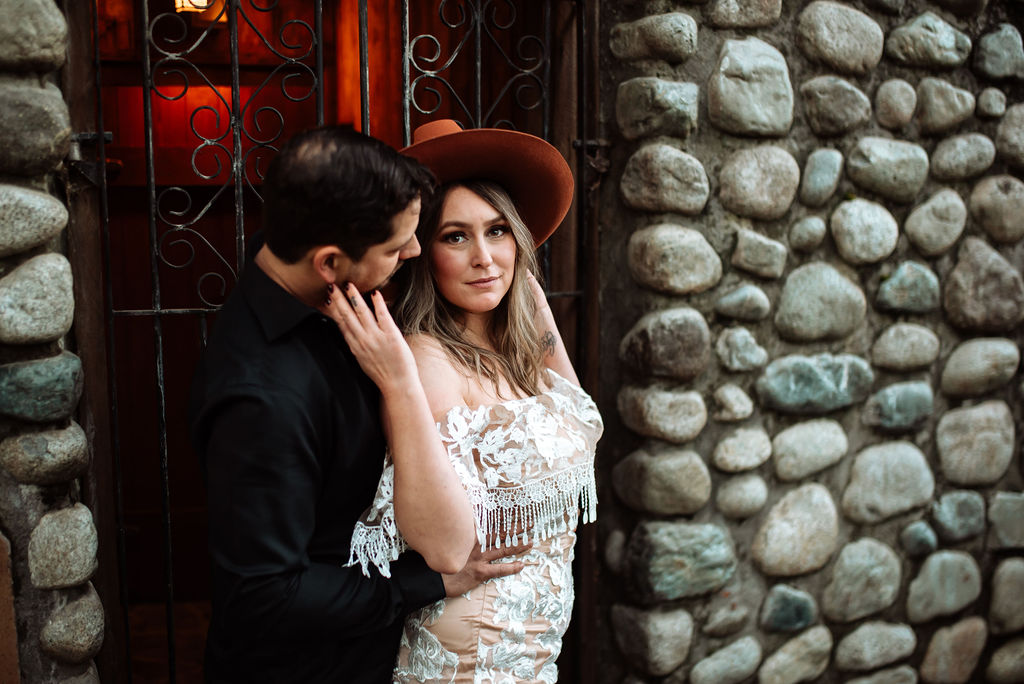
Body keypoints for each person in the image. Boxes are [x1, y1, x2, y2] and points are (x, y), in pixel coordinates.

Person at [188, 125, 528, 684]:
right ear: (329, 262)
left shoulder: (296, 260)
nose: (414, 252)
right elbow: (267, 593)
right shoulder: (264, 399)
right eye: (397, 248)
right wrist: (428, 584)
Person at [327, 119, 603, 683]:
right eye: (456, 237)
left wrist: (527, 293)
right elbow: (446, 548)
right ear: (421, 252)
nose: (484, 257)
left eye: (498, 231)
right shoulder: (427, 361)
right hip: (472, 656)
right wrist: (400, 386)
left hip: (533, 655)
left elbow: (581, 419)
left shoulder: (518, 352)